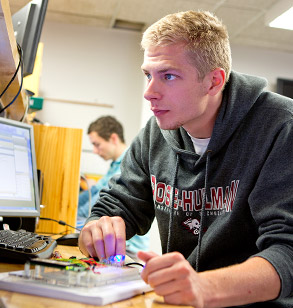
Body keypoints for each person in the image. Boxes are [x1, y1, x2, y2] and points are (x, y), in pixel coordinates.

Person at [78, 10, 293, 307]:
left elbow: (288, 251)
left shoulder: (282, 127)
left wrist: (204, 286)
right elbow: (116, 206)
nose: (149, 93)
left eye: (168, 75)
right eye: (147, 75)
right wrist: (98, 228)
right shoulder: (155, 134)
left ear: (214, 81)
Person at [77, 115, 150, 259]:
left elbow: (96, 203)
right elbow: (94, 192)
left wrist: (78, 217)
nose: (95, 151)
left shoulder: (128, 166)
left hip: (128, 249)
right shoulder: (114, 165)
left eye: (97, 144)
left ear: (114, 139)